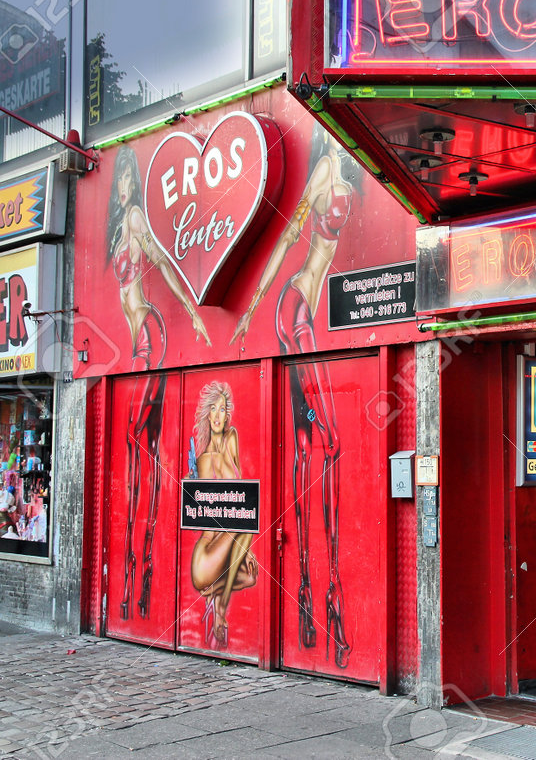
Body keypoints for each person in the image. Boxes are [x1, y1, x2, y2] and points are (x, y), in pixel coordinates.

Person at [231, 126, 355, 668]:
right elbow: (286, 241)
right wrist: (254, 304)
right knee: (327, 446)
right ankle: (322, 599)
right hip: (298, 305)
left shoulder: (352, 172)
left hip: (310, 310)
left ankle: (311, 600)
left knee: (311, 451)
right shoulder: (327, 170)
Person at [107, 145, 211, 621]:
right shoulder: (115, 230)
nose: (126, 185)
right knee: (142, 459)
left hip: (150, 335)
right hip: (133, 347)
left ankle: (140, 578)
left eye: (130, 176)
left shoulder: (133, 220)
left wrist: (192, 311)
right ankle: (140, 585)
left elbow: (164, 266)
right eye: (122, 178)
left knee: (136, 449)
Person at [188, 382, 258, 649]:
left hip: (224, 547)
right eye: (214, 410)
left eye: (223, 409)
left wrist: (244, 550)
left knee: (251, 577)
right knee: (246, 520)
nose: (218, 415)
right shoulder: (204, 460)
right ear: (207, 415)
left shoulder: (232, 438)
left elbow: (238, 490)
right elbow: (214, 515)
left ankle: (213, 593)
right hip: (205, 555)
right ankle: (220, 610)